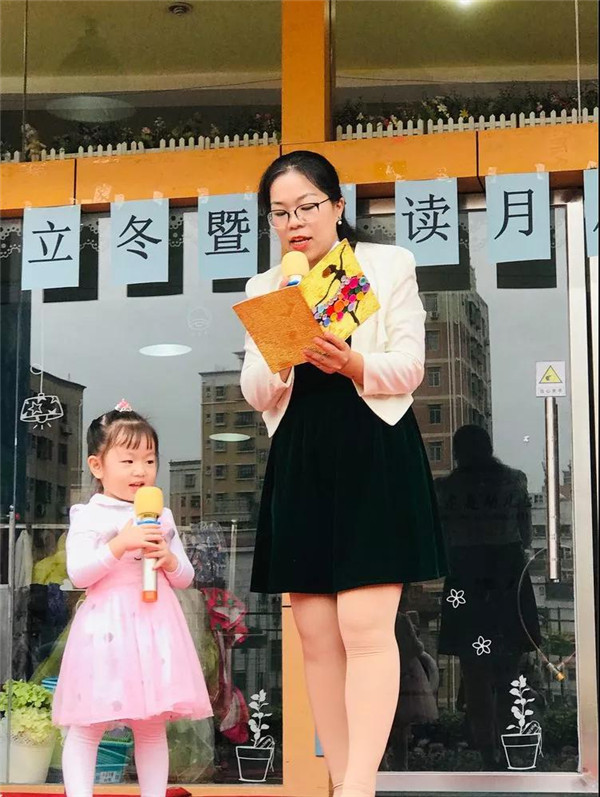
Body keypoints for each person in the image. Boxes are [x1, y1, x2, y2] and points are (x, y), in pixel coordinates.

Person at [240, 150, 447, 797]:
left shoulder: (386, 264)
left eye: (306, 207)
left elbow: (409, 365)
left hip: (372, 446)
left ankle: (359, 787)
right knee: (314, 634)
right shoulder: (267, 285)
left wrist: (353, 362)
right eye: (280, 213)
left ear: (336, 206)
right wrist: (280, 348)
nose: (294, 223)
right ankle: (341, 779)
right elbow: (255, 391)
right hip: (302, 454)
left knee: (364, 626)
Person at [52, 402, 212, 797]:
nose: (141, 471)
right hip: (105, 628)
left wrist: (169, 559)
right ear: (97, 465)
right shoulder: (89, 514)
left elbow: (185, 578)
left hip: (155, 627)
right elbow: (79, 574)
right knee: (88, 725)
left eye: (149, 460)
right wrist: (120, 544)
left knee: (151, 725)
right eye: (128, 461)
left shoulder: (162, 516)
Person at [436, 424, 541, 769]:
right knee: (508, 668)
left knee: (474, 670)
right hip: (507, 577)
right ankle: (512, 749)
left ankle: (487, 753)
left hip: (465, 577)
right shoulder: (515, 481)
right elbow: (525, 535)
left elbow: (441, 539)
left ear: (457, 452)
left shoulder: (445, 489)